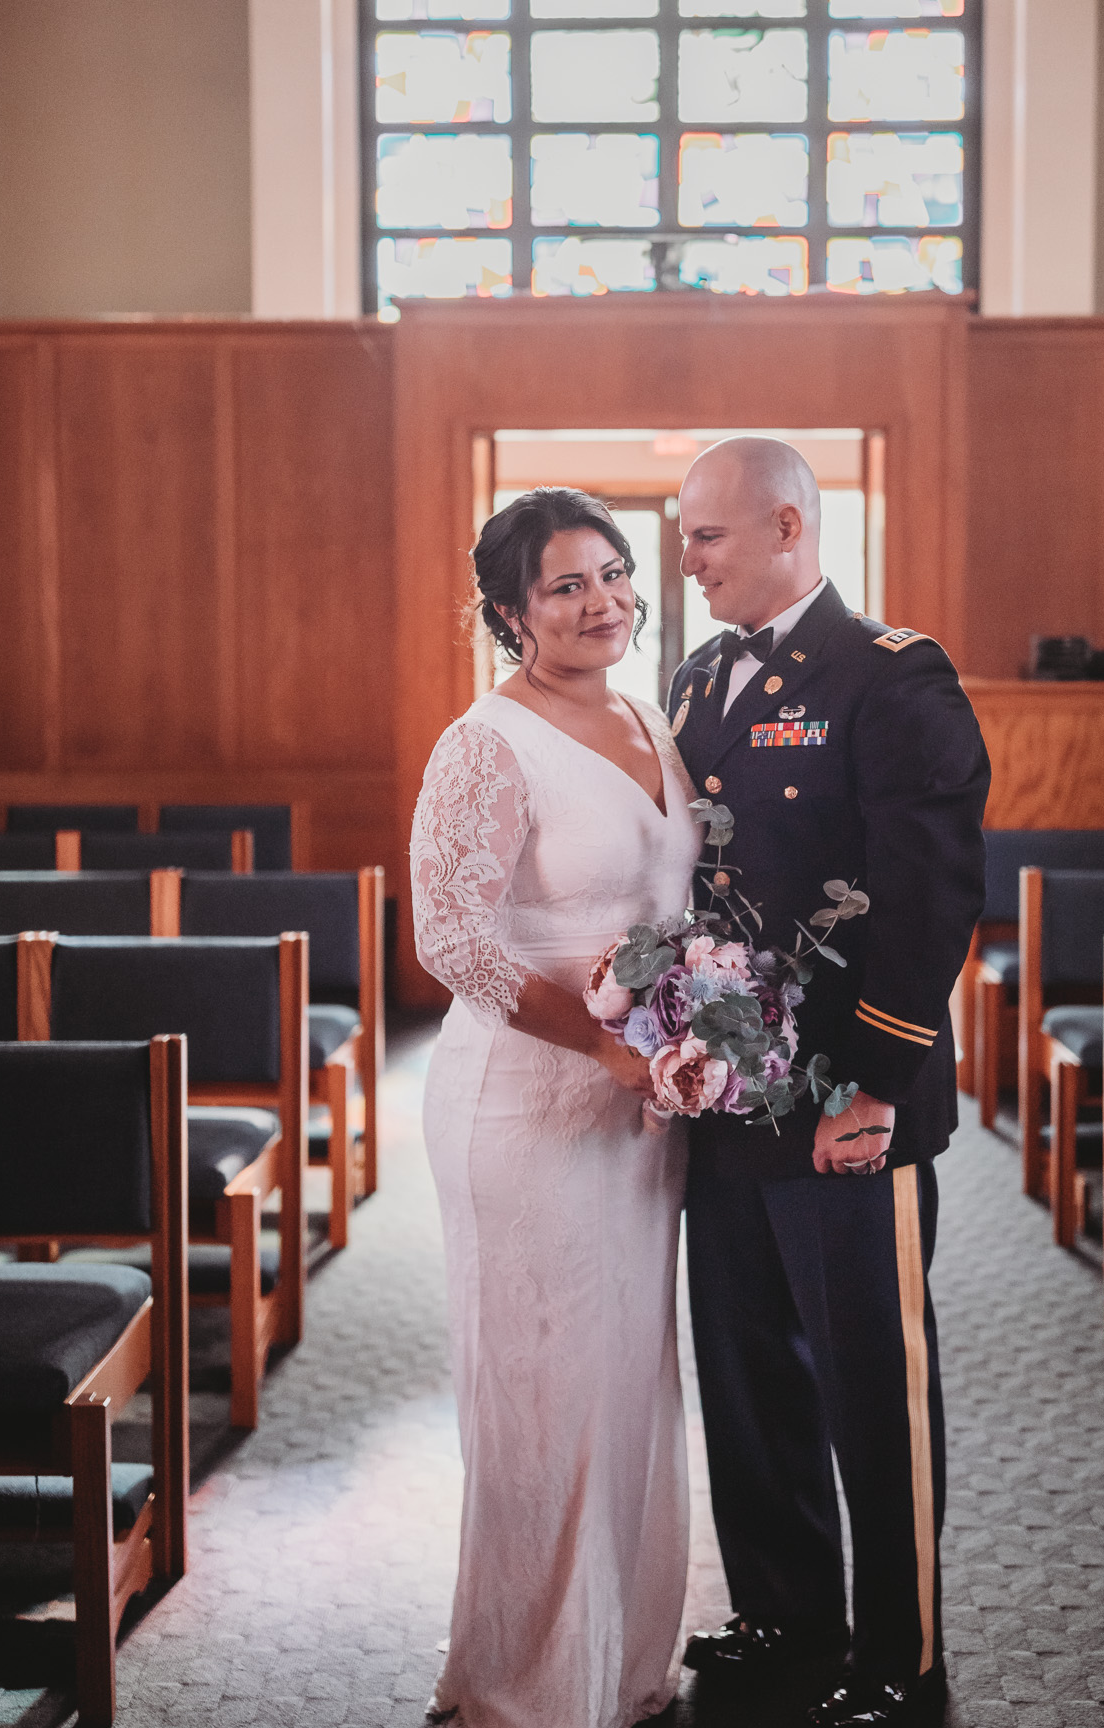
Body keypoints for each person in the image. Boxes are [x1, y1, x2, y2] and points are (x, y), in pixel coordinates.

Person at [669, 438, 989, 1728]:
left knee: (871, 1373)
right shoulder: (695, 677)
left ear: (790, 524)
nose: (682, 562)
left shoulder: (891, 675)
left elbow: (930, 888)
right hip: (729, 1094)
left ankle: (900, 1650)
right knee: (745, 1365)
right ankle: (786, 1613)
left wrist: (875, 1079)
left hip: (851, 1090)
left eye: (706, 537)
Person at [410, 487, 701, 1728]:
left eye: (615, 574)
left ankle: (627, 1660)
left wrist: (689, 1035)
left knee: (632, 1373)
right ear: (509, 611)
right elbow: (452, 942)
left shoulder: (652, 713)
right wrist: (605, 1043)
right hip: (529, 1103)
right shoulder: (486, 741)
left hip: (645, 1105)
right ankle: (525, 1686)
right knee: (540, 1386)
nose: (603, 604)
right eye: (566, 586)